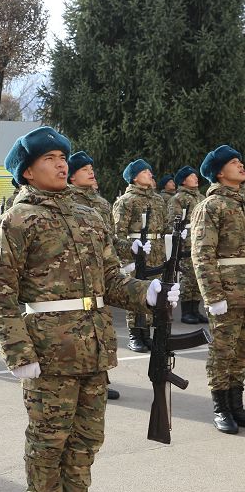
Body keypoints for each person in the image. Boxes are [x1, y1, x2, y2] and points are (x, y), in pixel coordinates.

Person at [0, 127, 177, 492]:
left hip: (92, 348)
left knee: (86, 440)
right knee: (47, 441)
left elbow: (111, 281)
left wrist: (147, 292)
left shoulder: (90, 215)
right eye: (50, 158)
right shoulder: (18, 219)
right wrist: (18, 353)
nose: (60, 163)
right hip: (48, 351)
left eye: (63, 156)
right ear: (27, 170)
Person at [190, 145, 245, 435]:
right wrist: (213, 297)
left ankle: (237, 404)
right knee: (222, 353)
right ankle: (221, 407)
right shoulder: (210, 207)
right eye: (234, 163)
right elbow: (202, 255)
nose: (241, 165)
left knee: (241, 353)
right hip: (226, 292)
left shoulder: (241, 203)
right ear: (220, 172)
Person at [66, 151, 123, 400]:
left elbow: (109, 237)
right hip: (74, 276)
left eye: (91, 167)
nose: (91, 171)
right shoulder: (68, 202)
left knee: (100, 329)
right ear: (71, 176)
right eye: (83, 168)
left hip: (101, 274)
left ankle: (102, 379)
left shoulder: (100, 204)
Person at [112, 159, 168, 352]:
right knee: (136, 293)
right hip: (136, 253)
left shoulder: (158, 200)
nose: (150, 174)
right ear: (134, 178)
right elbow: (118, 233)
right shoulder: (126, 201)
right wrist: (128, 257)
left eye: (149, 171)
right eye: (144, 171)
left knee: (154, 293)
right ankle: (135, 335)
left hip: (156, 251)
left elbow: (164, 225)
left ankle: (147, 335)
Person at [169, 166, 207, 324]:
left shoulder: (201, 197)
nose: (196, 177)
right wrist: (180, 234)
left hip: (202, 240)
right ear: (184, 180)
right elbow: (173, 220)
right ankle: (186, 311)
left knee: (199, 275)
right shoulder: (178, 198)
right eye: (192, 176)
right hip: (186, 242)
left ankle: (195, 310)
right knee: (188, 277)